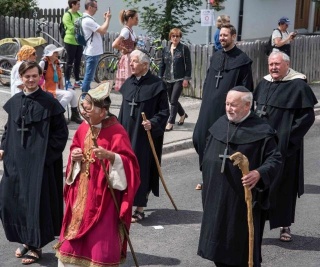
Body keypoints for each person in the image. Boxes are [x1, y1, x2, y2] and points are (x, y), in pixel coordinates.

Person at [56, 83, 140, 267]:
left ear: (102, 112)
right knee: (72, 238)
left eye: (88, 109)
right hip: (81, 193)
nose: (84, 113)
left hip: (104, 197)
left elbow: (131, 165)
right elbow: (75, 147)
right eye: (83, 108)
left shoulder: (117, 131)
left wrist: (112, 157)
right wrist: (75, 154)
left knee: (100, 239)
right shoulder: (84, 127)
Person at [198, 87, 282, 267]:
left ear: (247, 106)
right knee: (217, 247)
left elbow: (275, 159)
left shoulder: (262, 130)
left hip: (241, 200)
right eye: (227, 104)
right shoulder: (220, 124)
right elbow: (207, 151)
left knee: (241, 250)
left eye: (233, 105)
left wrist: (259, 173)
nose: (228, 108)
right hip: (216, 196)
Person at [0, 61, 68, 265]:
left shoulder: (50, 103)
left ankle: (36, 246)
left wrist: (45, 158)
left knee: (35, 205)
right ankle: (25, 240)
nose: (30, 79)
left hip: (38, 167)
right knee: (10, 201)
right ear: (21, 77)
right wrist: (3, 147)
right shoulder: (14, 102)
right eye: (26, 76)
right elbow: (8, 129)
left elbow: (61, 134)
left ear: (40, 77)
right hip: (15, 163)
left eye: (34, 76)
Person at [253, 51, 317, 242]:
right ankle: (256, 224)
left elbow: (307, 118)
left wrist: (287, 139)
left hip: (285, 147)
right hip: (263, 145)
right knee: (261, 184)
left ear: (287, 65)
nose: (273, 67)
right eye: (271, 64)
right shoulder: (264, 83)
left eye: (277, 64)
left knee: (284, 187)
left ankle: (285, 225)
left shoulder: (298, 85)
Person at [193, 24, 253, 190]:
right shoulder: (216, 57)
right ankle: (206, 173)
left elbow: (246, 88)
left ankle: (213, 179)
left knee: (220, 144)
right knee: (199, 138)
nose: (222, 38)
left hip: (226, 110)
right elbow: (208, 81)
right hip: (208, 108)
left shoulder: (243, 61)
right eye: (220, 35)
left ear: (233, 36)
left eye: (225, 35)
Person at [118, 49, 169, 223]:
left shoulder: (157, 85)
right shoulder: (128, 83)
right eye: (130, 61)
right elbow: (122, 111)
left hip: (143, 137)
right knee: (123, 167)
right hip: (126, 134)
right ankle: (124, 204)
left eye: (134, 61)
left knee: (140, 169)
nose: (130, 64)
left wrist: (153, 122)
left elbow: (164, 111)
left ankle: (139, 208)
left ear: (145, 65)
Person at [39, 44, 82, 124]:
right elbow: (38, 78)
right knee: (68, 94)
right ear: (50, 54)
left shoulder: (57, 63)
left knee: (72, 92)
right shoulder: (43, 63)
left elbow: (60, 77)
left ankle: (75, 115)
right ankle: (56, 115)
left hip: (56, 87)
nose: (57, 54)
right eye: (55, 52)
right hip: (47, 89)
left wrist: (62, 87)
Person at [159, 28, 192, 131]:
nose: (175, 38)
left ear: (180, 37)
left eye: (177, 36)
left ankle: (170, 122)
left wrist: (186, 78)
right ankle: (182, 115)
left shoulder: (184, 48)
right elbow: (162, 64)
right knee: (172, 100)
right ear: (170, 37)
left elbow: (188, 65)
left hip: (179, 78)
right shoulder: (165, 49)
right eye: (173, 36)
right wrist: (160, 77)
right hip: (168, 78)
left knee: (173, 100)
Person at [81, 0, 111, 93]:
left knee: (89, 75)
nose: (97, 10)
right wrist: (108, 19)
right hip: (92, 52)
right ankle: (84, 96)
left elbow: (100, 30)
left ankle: (86, 94)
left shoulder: (87, 19)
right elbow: (103, 30)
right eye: (95, 7)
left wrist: (105, 20)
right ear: (90, 7)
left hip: (91, 51)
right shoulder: (88, 20)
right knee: (89, 76)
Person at [112, 9, 138, 91]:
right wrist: (124, 49)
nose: (138, 20)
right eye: (136, 18)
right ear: (130, 19)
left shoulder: (131, 31)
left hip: (132, 58)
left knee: (133, 83)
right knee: (128, 83)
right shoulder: (125, 31)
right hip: (127, 59)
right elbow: (114, 44)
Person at [62, 0, 83, 89]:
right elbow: (70, 28)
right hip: (70, 41)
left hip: (79, 41)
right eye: (78, 4)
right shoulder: (67, 15)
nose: (79, 6)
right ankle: (67, 80)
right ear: (72, 5)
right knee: (69, 62)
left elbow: (84, 24)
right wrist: (80, 29)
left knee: (78, 62)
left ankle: (77, 81)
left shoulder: (79, 14)